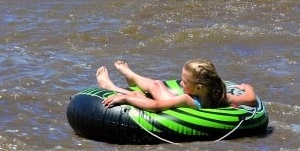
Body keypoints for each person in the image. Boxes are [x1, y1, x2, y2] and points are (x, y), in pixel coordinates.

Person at [95, 60, 257, 111]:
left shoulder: (187, 99)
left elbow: (157, 105)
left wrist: (126, 99)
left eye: (184, 82)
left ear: (199, 88)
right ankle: (131, 79)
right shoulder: (219, 97)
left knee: (155, 86)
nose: (180, 83)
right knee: (154, 86)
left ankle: (112, 86)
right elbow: (250, 99)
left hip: (177, 108)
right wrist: (246, 87)